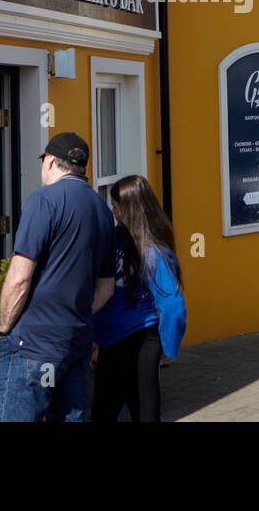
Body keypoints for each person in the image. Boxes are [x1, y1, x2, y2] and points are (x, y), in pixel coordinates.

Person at [0, 132, 115, 422]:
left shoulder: (43, 200)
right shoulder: (102, 209)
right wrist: (76, 311)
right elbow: (107, 286)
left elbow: (19, 277)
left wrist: (5, 327)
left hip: (34, 342)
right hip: (76, 341)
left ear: (50, 161)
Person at [91, 175, 187, 422]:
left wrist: (168, 347)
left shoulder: (155, 252)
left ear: (129, 209)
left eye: (116, 205)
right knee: (102, 410)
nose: (112, 210)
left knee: (144, 411)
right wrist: (95, 338)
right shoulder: (114, 239)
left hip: (142, 339)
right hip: (112, 343)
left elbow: (173, 306)